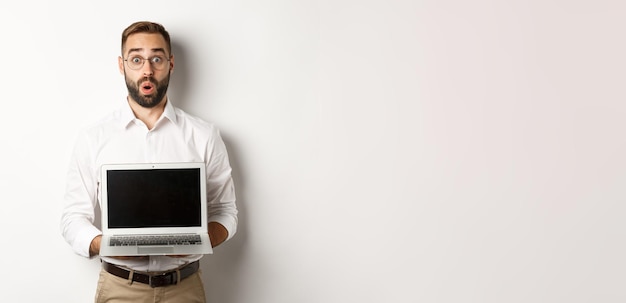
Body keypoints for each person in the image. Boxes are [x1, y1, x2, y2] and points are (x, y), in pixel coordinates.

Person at [60, 21, 238, 303]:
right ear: (122, 65)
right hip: (120, 288)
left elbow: (226, 212)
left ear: (170, 63)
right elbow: (72, 219)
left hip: (185, 287)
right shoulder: (94, 138)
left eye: (156, 58)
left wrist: (200, 240)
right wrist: (107, 245)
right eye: (136, 59)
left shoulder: (204, 135)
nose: (147, 70)